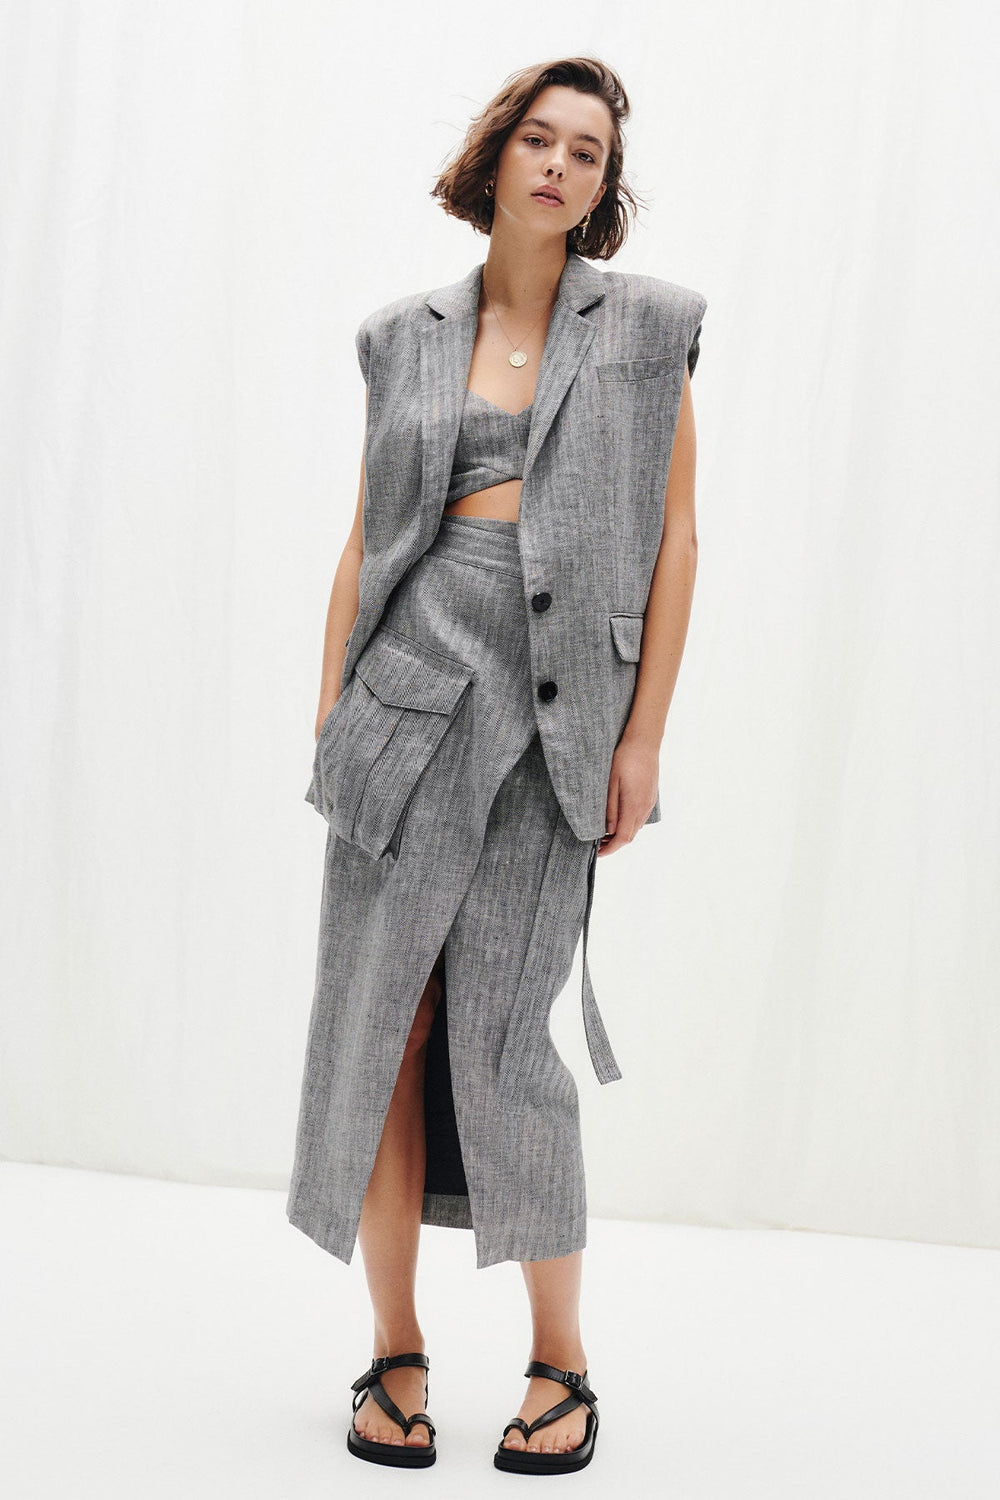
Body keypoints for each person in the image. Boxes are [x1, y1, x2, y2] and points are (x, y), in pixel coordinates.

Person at [286, 56, 706, 1476]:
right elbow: (367, 538)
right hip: (405, 702)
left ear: (604, 187)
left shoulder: (650, 329)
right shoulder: (399, 337)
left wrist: (643, 734)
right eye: (540, 137)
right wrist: (331, 712)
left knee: (506, 1040)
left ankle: (560, 1362)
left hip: (555, 719)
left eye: (588, 151)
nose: (560, 164)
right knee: (384, 1034)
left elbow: (677, 541)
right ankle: (395, 1351)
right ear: (497, 154)